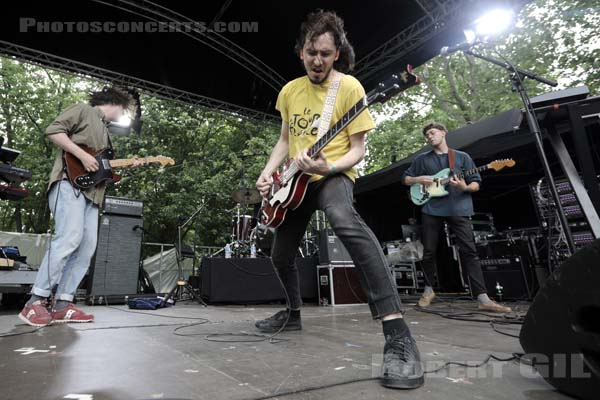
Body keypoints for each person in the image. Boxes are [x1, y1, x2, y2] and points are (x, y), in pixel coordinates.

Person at [255, 10, 424, 390]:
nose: (318, 60)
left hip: (333, 174)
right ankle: (293, 313)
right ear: (301, 51)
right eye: (312, 52)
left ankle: (398, 335)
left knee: (343, 218)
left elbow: (358, 151)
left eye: (326, 54)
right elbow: (285, 140)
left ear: (337, 55)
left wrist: (327, 165)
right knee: (280, 255)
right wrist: (269, 172)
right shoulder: (289, 91)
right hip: (293, 183)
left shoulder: (349, 89)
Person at [19, 87, 138, 327]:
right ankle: (35, 301)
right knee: (69, 239)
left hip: (92, 196)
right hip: (68, 185)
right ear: (117, 103)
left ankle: (63, 303)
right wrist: (82, 156)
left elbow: (98, 168)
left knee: (86, 248)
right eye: (126, 110)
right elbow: (54, 130)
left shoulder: (105, 131)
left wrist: (120, 169)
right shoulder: (83, 110)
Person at [402, 122, 512, 313]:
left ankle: (483, 298)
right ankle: (428, 291)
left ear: (443, 133)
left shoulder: (462, 157)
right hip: (431, 208)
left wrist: (465, 187)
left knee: (469, 251)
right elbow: (405, 179)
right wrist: (419, 179)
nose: (429, 136)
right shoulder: (422, 159)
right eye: (426, 135)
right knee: (428, 252)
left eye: (432, 132)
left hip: (459, 208)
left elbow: (476, 183)